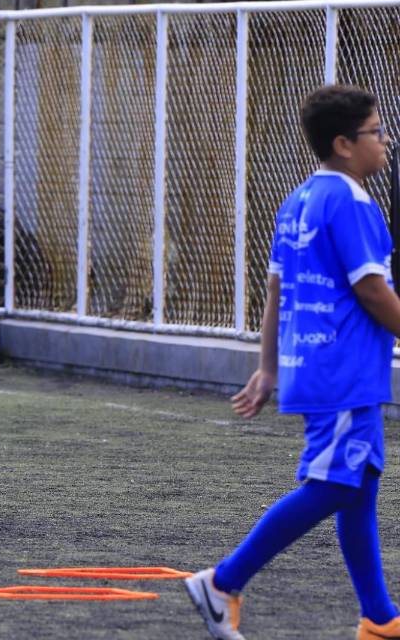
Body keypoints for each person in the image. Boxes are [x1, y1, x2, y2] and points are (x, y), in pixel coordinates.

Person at [185, 85, 400, 640]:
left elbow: (276, 291)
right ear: (343, 144)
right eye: (377, 132)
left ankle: (379, 618)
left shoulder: (298, 199)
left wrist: (269, 367)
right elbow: (374, 291)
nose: (386, 141)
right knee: (333, 486)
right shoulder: (350, 201)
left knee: (358, 485)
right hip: (343, 370)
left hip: (319, 366)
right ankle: (223, 582)